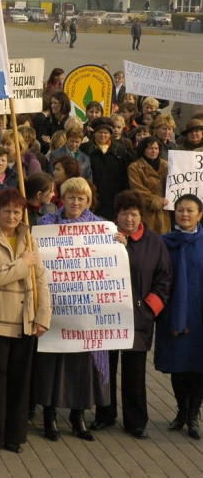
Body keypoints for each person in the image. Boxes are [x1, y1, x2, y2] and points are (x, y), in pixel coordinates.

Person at [0, 188, 51, 455]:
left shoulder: (29, 239)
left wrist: (43, 316)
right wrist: (22, 263)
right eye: (6, 211)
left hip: (24, 320)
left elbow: (41, 279)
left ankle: (14, 436)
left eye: (17, 212)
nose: (12, 216)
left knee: (20, 383)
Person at [90, 191, 171, 439]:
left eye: (134, 214)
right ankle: (105, 414)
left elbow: (164, 279)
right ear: (117, 215)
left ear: (141, 216)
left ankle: (136, 421)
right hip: (108, 316)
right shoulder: (105, 237)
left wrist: (149, 309)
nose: (129, 218)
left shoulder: (154, 242)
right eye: (124, 213)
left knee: (134, 372)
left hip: (138, 317)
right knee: (106, 368)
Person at [35, 177, 110, 443]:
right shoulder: (46, 225)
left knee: (82, 366)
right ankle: (49, 416)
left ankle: (78, 417)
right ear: (62, 199)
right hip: (54, 309)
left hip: (85, 312)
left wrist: (119, 244)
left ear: (88, 201)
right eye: (71, 197)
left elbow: (111, 264)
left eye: (81, 198)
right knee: (52, 365)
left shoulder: (100, 228)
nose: (75, 202)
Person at [156, 194, 203, 439]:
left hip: (199, 315)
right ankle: (181, 411)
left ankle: (194, 415)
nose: (184, 214)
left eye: (190, 210)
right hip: (173, 312)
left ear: (200, 215)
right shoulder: (164, 242)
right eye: (180, 210)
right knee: (178, 365)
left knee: (198, 367)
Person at [80, 117, 134, 220]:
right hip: (93, 194)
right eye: (100, 132)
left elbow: (124, 174)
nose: (103, 135)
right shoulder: (85, 148)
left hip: (114, 196)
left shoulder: (119, 149)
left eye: (106, 133)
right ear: (94, 133)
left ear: (110, 134)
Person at [127, 137, 171, 234]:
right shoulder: (134, 167)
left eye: (156, 148)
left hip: (165, 213)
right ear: (143, 149)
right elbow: (138, 191)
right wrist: (158, 201)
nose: (154, 151)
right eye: (150, 148)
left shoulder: (166, 165)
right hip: (146, 212)